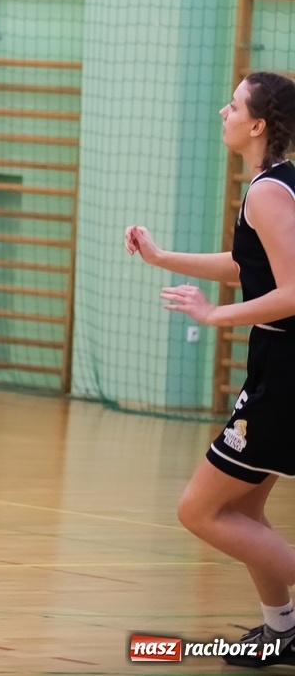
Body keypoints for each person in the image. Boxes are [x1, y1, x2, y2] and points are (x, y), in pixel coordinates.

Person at [127, 71, 295, 667]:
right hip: (276, 364)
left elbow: (294, 291)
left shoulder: (269, 192)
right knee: (242, 512)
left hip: (285, 369)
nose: (221, 112)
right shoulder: (273, 186)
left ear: (257, 125)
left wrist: (215, 315)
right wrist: (162, 256)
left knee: (198, 511)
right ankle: (283, 630)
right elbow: (250, 265)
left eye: (232, 105)